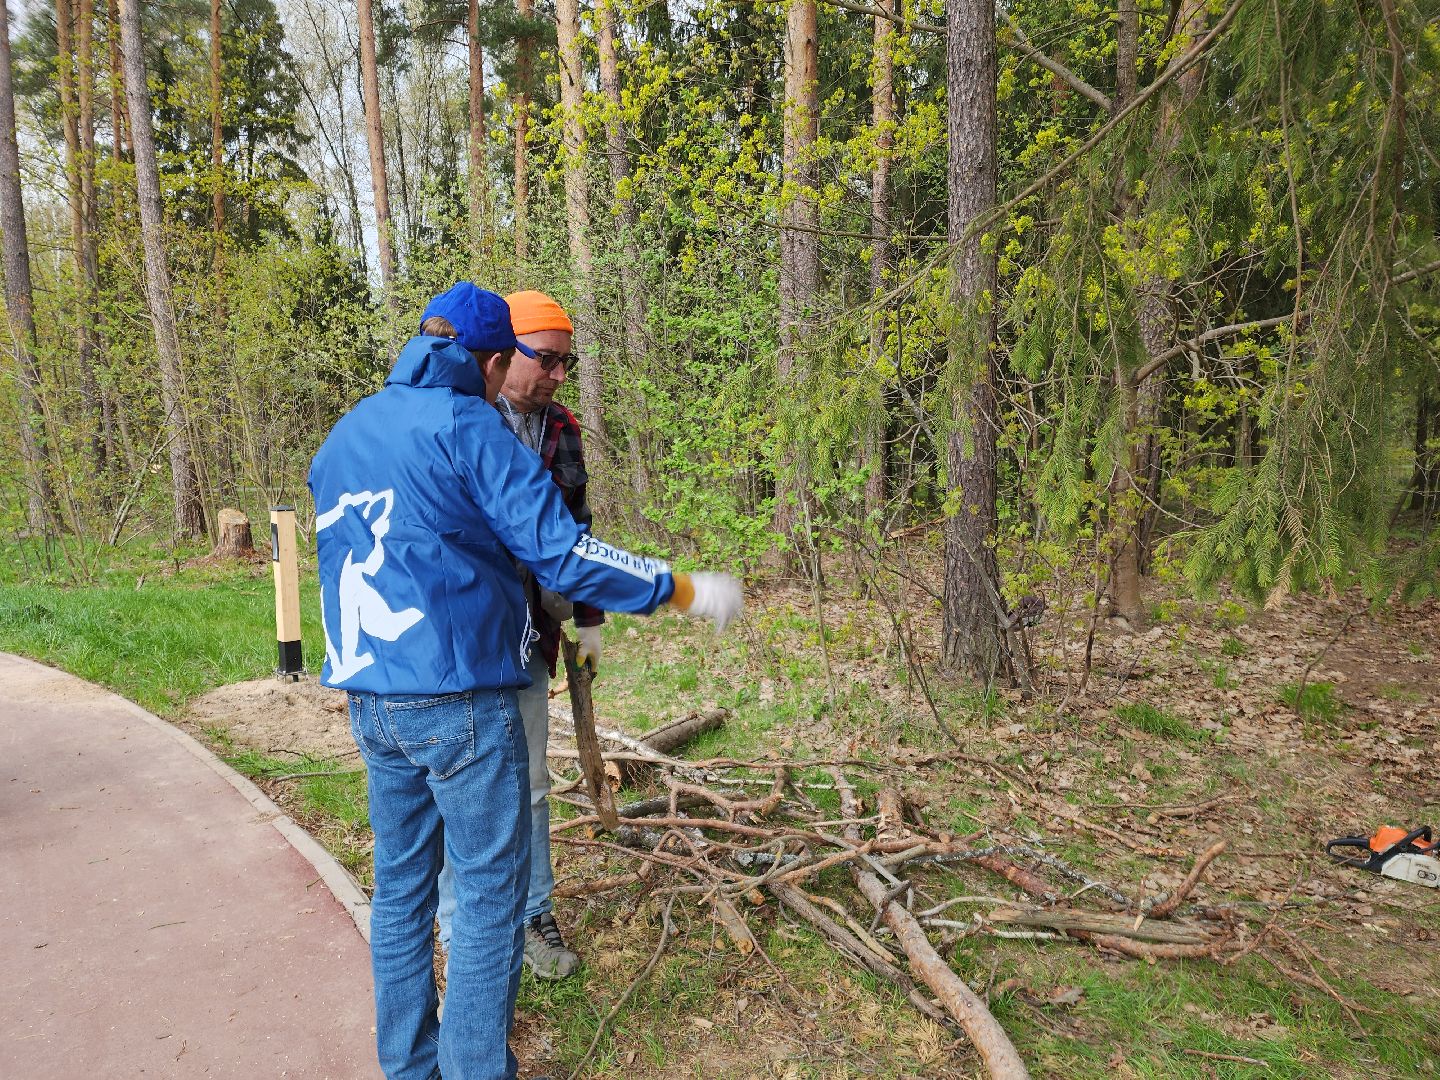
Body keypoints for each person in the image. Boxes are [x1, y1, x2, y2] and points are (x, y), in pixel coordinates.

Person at [309, 282, 742, 1080]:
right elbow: (566, 552)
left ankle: (408, 1067)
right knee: (486, 901)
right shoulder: (468, 425)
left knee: (402, 893)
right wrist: (679, 589)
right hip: (462, 700)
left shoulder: (347, 432)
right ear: (494, 360)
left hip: (371, 701)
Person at [436, 290, 595, 982]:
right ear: (505, 355)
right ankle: (456, 920)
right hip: (466, 642)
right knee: (462, 781)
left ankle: (533, 912)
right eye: (549, 360)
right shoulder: (462, 421)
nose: (559, 375)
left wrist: (587, 622)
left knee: (530, 784)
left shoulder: (562, 427)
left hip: (534, 640)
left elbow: (576, 529)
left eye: (568, 362)